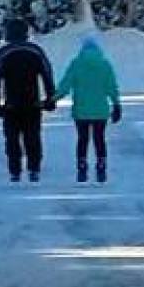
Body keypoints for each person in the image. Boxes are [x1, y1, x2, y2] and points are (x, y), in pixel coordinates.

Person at [0, 18, 56, 182]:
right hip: (32, 103)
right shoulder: (35, 51)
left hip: (11, 105)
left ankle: (15, 170)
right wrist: (50, 97)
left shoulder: (3, 53)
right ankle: (34, 169)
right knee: (33, 136)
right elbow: (47, 74)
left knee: (12, 138)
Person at [56, 35, 122, 183]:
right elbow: (111, 86)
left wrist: (53, 99)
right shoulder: (105, 65)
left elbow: (65, 85)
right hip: (100, 110)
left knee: (82, 139)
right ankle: (101, 165)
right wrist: (116, 104)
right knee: (99, 139)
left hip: (81, 110)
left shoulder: (76, 64)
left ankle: (82, 166)